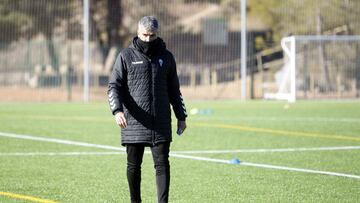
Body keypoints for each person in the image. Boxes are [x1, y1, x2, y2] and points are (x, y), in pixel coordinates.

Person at [107, 16, 187, 203]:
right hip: (134, 122)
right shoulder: (125, 56)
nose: (148, 39)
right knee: (134, 166)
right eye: (145, 35)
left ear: (157, 34)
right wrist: (117, 111)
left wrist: (181, 116)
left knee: (162, 165)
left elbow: (175, 90)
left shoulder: (166, 57)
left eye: (152, 35)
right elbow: (113, 86)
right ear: (138, 33)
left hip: (160, 122)